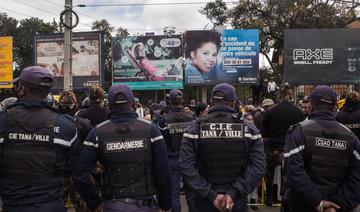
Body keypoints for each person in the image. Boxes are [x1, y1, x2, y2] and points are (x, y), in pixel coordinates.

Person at [73, 84, 172, 212]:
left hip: (112, 205)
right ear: (133, 104)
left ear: (109, 105)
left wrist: (94, 203)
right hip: (144, 205)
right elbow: (163, 171)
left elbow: (80, 175)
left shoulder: (97, 133)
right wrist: (165, 204)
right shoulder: (151, 130)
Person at [0, 66, 77, 212]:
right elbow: (71, 170)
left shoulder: (3, 121)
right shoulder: (67, 126)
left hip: (14, 205)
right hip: (51, 205)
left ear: (22, 89)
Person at [180, 83, 266, 212]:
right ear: (233, 102)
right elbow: (258, 166)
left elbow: (186, 166)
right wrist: (233, 193)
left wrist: (210, 194)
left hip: (204, 199)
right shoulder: (250, 129)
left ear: (211, 101)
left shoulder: (194, 128)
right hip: (236, 200)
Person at [284, 85, 360, 212]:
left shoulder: (299, 131)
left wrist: (317, 201)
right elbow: (356, 174)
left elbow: (293, 171)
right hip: (336, 206)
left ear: (311, 104)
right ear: (335, 106)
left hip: (302, 204)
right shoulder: (350, 136)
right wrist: (338, 204)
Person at [261, 83, 305, 206]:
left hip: (273, 147)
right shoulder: (299, 112)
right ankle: (285, 198)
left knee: (269, 174)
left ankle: (269, 198)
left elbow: (263, 132)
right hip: (291, 148)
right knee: (288, 175)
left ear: (279, 95)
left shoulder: (270, 110)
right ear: (290, 96)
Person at [158, 89, 195, 212]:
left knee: (174, 194)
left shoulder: (163, 120)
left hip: (172, 160)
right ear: (182, 101)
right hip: (188, 160)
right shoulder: (191, 118)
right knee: (191, 193)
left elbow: (161, 143)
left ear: (169, 101)